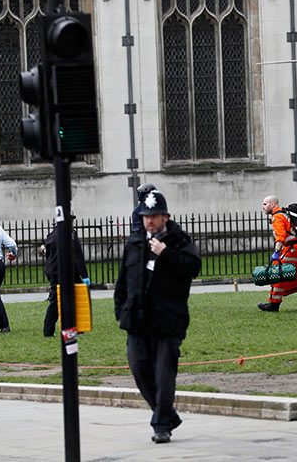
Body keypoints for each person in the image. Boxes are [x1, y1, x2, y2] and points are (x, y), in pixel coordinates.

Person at [114, 190, 201, 444]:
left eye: (154, 216)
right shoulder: (135, 242)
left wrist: (165, 253)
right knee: (139, 369)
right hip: (137, 318)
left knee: (164, 374)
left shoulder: (179, 241)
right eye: (145, 216)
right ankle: (167, 415)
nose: (149, 221)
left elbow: (192, 268)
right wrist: (121, 308)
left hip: (167, 319)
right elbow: (123, 280)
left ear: (165, 216)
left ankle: (161, 425)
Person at [40, 219, 90, 337]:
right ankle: (76, 328)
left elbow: (48, 257)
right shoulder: (71, 234)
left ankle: (48, 330)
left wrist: (49, 272)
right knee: (74, 300)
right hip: (70, 272)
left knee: (54, 302)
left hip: (55, 273)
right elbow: (77, 255)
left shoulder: (51, 235)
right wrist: (84, 275)